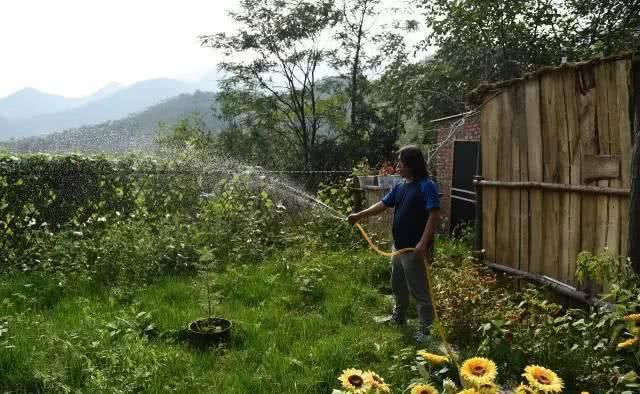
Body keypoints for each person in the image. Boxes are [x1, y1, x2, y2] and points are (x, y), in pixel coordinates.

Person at [348, 146, 440, 341]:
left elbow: (434, 215)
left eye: (400, 162)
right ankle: (399, 316)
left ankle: (425, 329)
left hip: (415, 249)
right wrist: (359, 215)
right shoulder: (400, 186)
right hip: (398, 247)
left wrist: (423, 244)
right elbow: (382, 205)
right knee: (397, 284)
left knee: (419, 289)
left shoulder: (427, 185)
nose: (398, 165)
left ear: (411, 164)